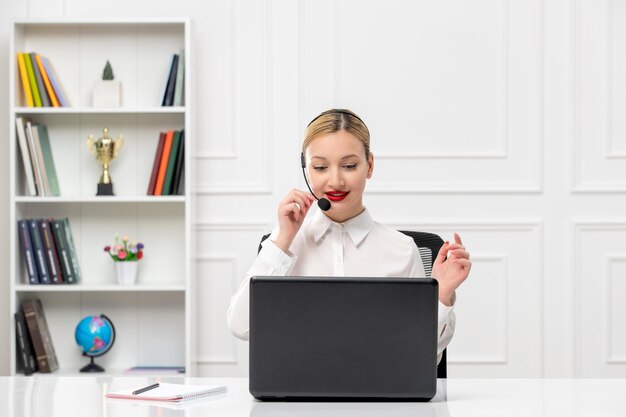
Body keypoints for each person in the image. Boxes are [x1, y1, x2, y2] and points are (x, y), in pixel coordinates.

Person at [227, 109, 471, 363]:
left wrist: (441, 295)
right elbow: (241, 327)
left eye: (349, 166)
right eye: (320, 167)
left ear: (370, 165)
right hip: (298, 398)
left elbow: (422, 359)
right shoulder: (283, 245)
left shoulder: (403, 249)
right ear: (306, 170)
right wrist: (282, 241)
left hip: (380, 397)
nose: (336, 180)